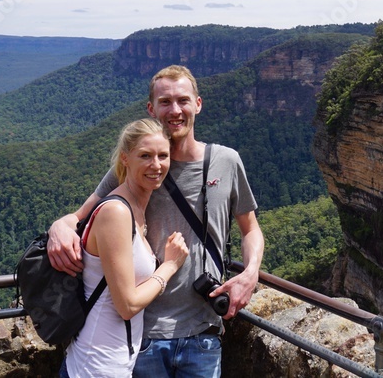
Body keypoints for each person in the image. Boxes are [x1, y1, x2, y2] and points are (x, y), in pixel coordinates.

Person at [49, 65, 265, 378]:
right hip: (144, 336)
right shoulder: (137, 165)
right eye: (165, 102)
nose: (175, 110)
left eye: (183, 100)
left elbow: (251, 228)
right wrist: (59, 227)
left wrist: (251, 272)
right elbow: (81, 216)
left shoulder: (226, 162)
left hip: (203, 332)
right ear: (152, 109)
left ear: (198, 104)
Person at [60, 118, 189, 378]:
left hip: (111, 364)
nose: (156, 165)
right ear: (125, 159)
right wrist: (169, 266)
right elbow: (126, 305)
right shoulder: (116, 212)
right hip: (95, 367)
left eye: (163, 156)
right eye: (145, 155)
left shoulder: (136, 209)